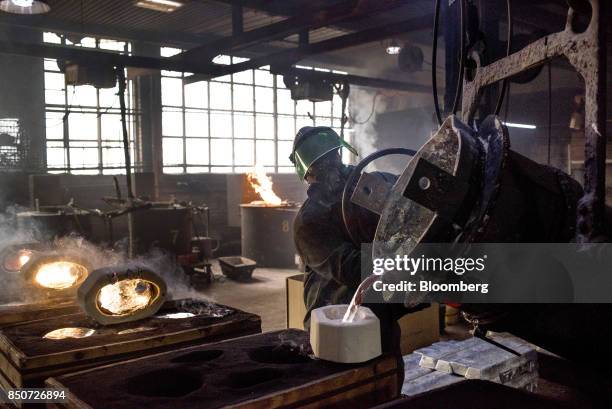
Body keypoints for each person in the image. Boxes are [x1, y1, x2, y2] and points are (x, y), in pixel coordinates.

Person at [289, 126, 414, 356]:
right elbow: (353, 268)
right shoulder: (309, 222)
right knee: (346, 383)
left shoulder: (367, 186)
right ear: (309, 174)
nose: (332, 167)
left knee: (385, 370)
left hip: (378, 314)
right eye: (322, 163)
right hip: (337, 321)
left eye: (332, 158)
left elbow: (408, 191)